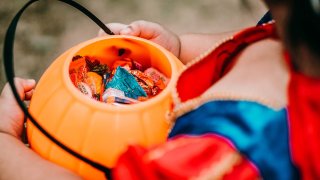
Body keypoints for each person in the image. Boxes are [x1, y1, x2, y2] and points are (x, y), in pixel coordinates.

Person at [1, 0, 320, 179]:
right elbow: (249, 42)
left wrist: (4, 144)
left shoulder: (229, 158)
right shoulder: (295, 35)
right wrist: (180, 48)